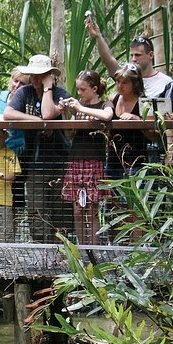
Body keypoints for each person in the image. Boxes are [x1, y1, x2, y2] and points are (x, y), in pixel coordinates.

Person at [4, 54, 72, 243]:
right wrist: (38, 122)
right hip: (34, 161)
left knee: (60, 208)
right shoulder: (24, 92)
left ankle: (61, 251)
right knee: (36, 207)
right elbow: (8, 113)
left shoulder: (61, 94)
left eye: (40, 75)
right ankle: (40, 249)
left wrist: (48, 87)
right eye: (32, 74)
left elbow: (48, 112)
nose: (34, 78)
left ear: (48, 75)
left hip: (59, 160)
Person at [60, 70, 114, 245]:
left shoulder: (104, 104)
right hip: (75, 160)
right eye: (78, 89)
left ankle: (95, 250)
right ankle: (82, 249)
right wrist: (64, 113)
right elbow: (69, 134)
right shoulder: (78, 107)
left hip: (94, 161)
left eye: (83, 89)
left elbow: (107, 116)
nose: (79, 93)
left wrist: (81, 108)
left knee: (91, 210)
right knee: (77, 210)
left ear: (94, 88)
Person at [85, 18, 173, 98]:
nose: (134, 59)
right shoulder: (126, 76)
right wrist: (98, 36)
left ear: (150, 55)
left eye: (138, 55)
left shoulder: (165, 83)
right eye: (132, 55)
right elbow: (108, 60)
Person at [107, 63, 148, 180]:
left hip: (136, 160)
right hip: (113, 159)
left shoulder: (144, 102)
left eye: (124, 82)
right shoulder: (113, 99)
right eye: (117, 81)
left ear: (135, 84)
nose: (120, 85)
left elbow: (154, 134)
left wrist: (137, 119)